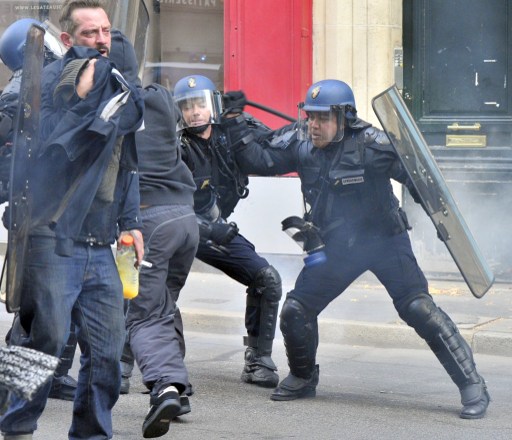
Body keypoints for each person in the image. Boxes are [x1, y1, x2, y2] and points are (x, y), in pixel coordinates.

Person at [225, 79, 490, 419]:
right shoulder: (301, 141)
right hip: (336, 247)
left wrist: (441, 219)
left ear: (344, 117)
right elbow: (258, 160)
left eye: (322, 118)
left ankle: (473, 385)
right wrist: (233, 121)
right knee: (295, 309)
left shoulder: (373, 144)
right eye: (310, 116)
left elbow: (419, 176)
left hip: (385, 241)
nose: (313, 125)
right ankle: (303, 377)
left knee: (419, 309)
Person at [0, 1, 144, 439]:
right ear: (67, 40)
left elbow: (125, 163)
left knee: (105, 355)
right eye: (89, 34)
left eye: (105, 31)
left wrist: (131, 222)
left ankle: (92, 435)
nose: (102, 40)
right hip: (51, 238)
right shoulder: (41, 85)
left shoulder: (118, 86)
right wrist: (77, 99)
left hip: (102, 245)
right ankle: (17, 428)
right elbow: (33, 150)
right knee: (42, 343)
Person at [109, 31, 200, 438]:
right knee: (162, 303)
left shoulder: (110, 106)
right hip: (184, 220)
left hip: (146, 222)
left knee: (141, 314)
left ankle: (165, 386)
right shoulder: (160, 98)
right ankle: (178, 388)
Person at [172, 75, 282, 389]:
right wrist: (207, 228)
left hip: (215, 232)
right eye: (187, 107)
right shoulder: (174, 147)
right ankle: (125, 365)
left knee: (268, 279)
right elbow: (166, 203)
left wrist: (238, 122)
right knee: (151, 293)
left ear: (214, 106)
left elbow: (274, 149)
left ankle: (258, 360)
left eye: (200, 105)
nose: (194, 112)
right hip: (178, 231)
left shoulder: (226, 137)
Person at [0, 17, 78, 403]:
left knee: (52, 311)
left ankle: (46, 375)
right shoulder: (22, 93)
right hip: (40, 214)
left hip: (57, 212)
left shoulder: (46, 84)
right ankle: (9, 390)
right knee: (42, 315)